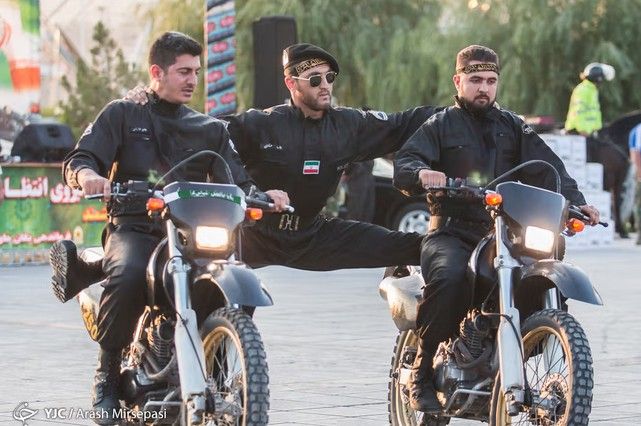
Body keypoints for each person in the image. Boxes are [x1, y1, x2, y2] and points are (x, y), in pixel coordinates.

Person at [53, 31, 288, 424]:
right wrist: (89, 176)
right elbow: (80, 159)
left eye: (196, 71)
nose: (193, 79)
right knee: (129, 272)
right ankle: (107, 376)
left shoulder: (210, 129)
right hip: (136, 227)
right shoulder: (123, 114)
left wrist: (265, 196)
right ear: (156, 72)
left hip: (191, 233)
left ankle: (215, 365)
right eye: (183, 71)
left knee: (237, 277)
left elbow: (238, 182)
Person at [394, 45, 600, 413]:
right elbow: (406, 161)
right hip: (452, 232)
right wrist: (421, 173)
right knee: (450, 277)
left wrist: (576, 202)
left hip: (501, 233)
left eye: (491, 80)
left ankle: (517, 349)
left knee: (537, 271)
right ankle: (421, 373)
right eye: (475, 80)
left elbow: (549, 168)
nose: (484, 88)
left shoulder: (512, 126)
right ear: (458, 81)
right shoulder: (440, 125)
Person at [127, 42, 439, 270]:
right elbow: (197, 131)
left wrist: (456, 112)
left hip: (312, 234)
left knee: (422, 247)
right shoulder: (261, 124)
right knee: (215, 287)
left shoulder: (349, 125)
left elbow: (404, 123)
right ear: (291, 83)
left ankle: (422, 322)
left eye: (329, 77)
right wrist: (152, 104)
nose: (325, 86)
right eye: (314, 79)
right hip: (252, 233)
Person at [564, 62, 630, 237]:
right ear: (598, 79)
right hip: (581, 132)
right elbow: (579, 110)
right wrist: (583, 130)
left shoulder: (591, 89)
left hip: (591, 132)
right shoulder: (584, 90)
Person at [629, 122, 641, 245]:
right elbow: (636, 154)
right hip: (640, 175)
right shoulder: (639, 130)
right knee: (639, 205)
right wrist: (639, 175)